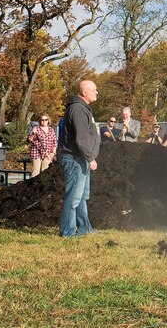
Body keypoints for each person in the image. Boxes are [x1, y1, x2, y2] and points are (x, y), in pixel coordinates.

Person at [58, 80, 100, 237]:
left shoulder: (82, 109)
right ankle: (67, 231)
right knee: (73, 197)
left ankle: (84, 228)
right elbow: (81, 139)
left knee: (82, 196)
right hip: (74, 158)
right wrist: (91, 158)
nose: (97, 93)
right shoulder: (78, 109)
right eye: (94, 90)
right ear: (84, 93)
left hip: (80, 158)